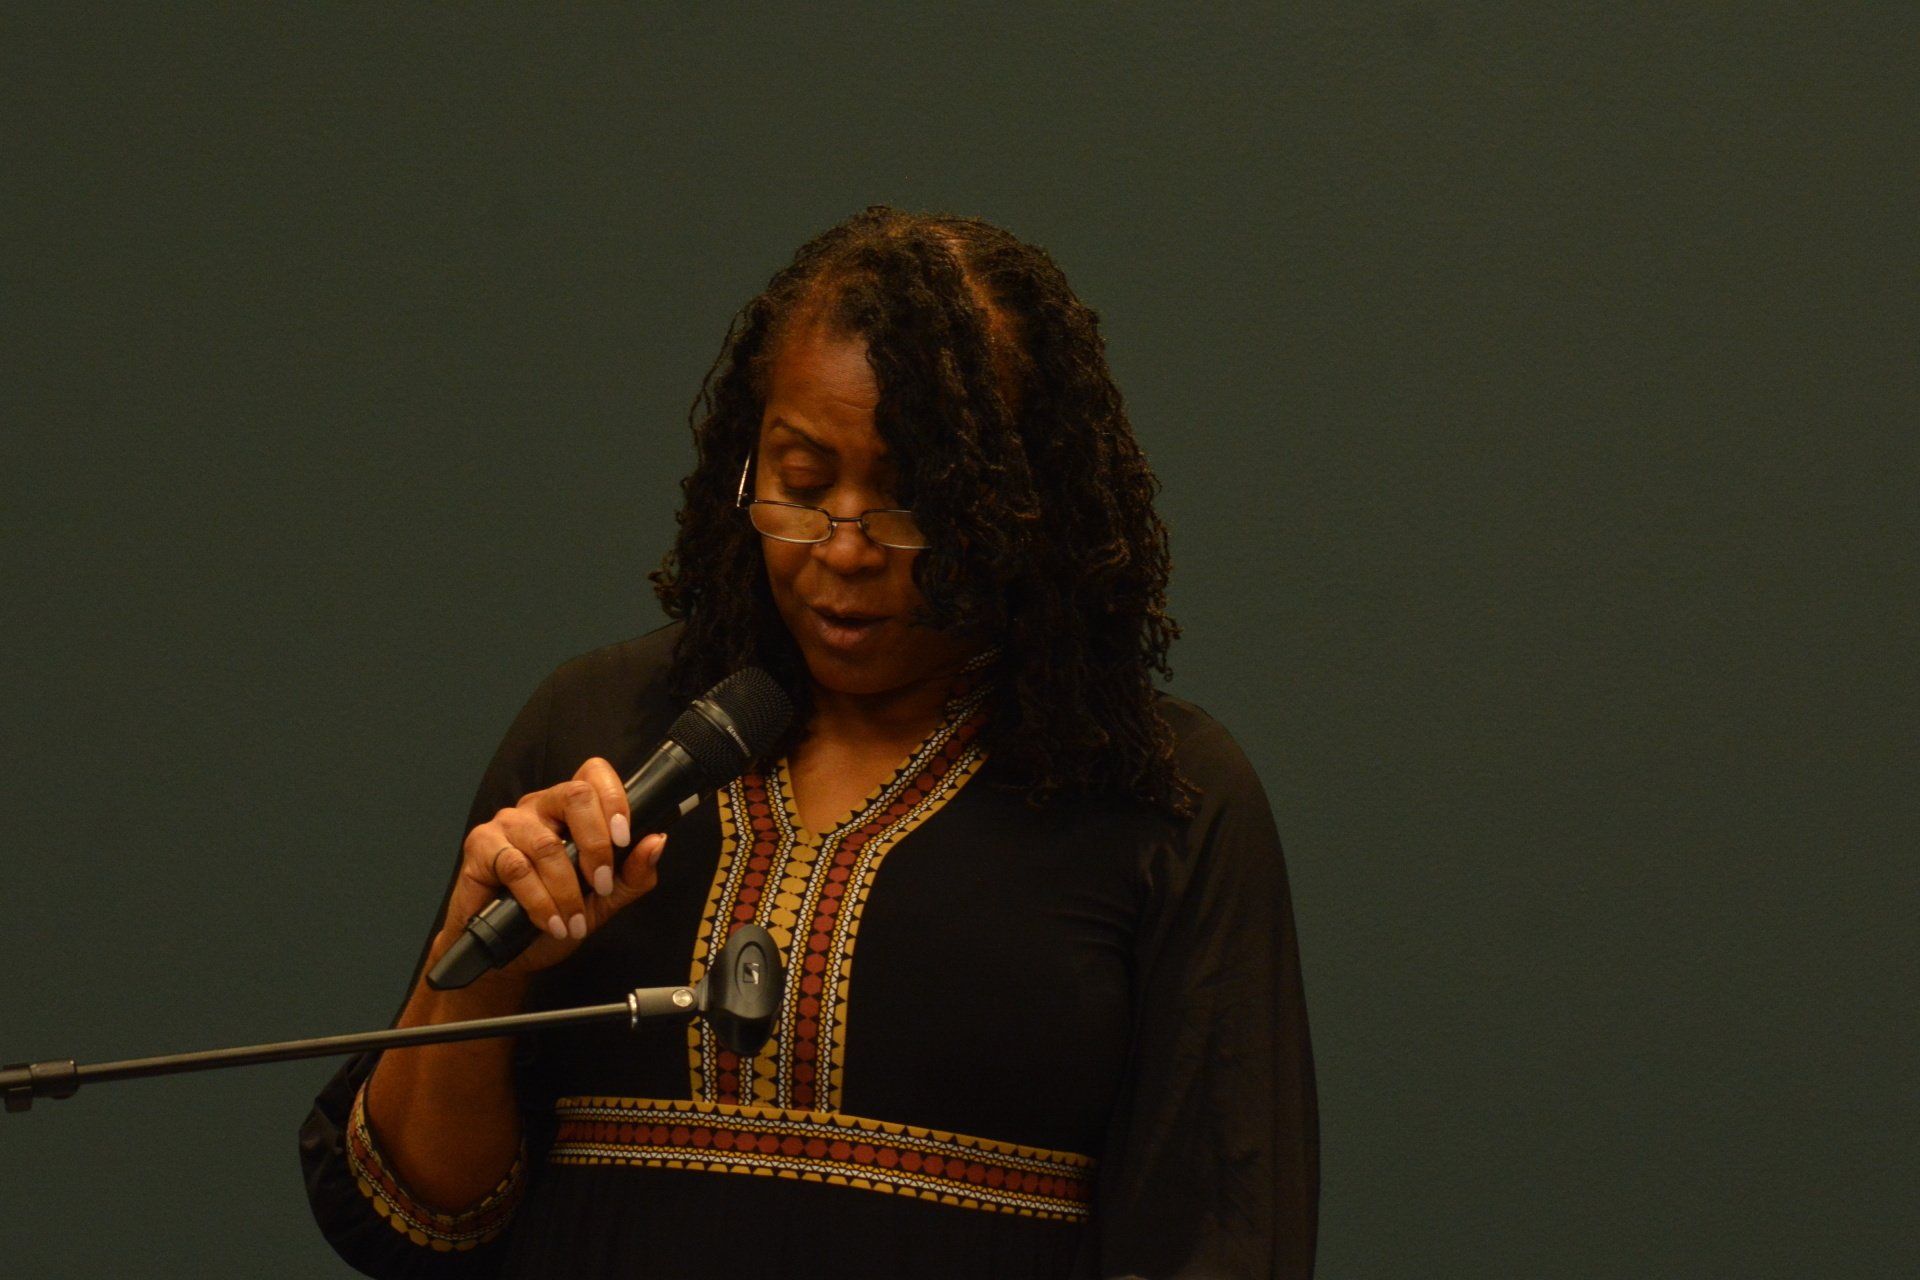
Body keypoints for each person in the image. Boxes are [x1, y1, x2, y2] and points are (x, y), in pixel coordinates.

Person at [299, 206, 1318, 1278]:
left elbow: (1223, 1238)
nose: (845, 547)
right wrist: (481, 971)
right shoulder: (596, 730)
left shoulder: (1162, 797)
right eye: (801, 481)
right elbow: (415, 1220)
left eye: (914, 500)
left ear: (1023, 503)